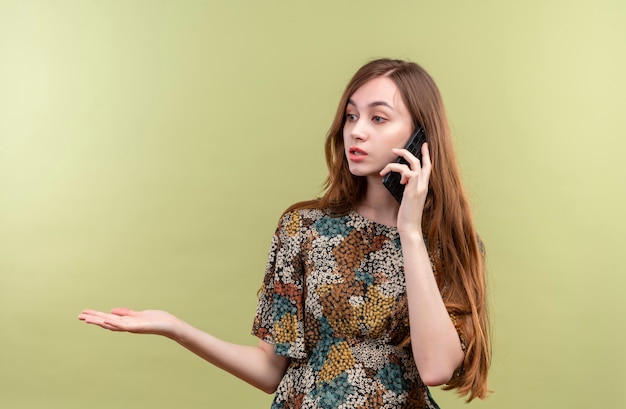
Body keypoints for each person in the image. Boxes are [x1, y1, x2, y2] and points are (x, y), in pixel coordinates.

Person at [79, 58, 491, 408]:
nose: (356, 131)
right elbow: (270, 370)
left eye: (378, 118)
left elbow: (436, 368)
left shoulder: (448, 245)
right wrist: (175, 328)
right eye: (351, 116)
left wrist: (411, 233)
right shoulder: (303, 228)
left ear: (421, 137)